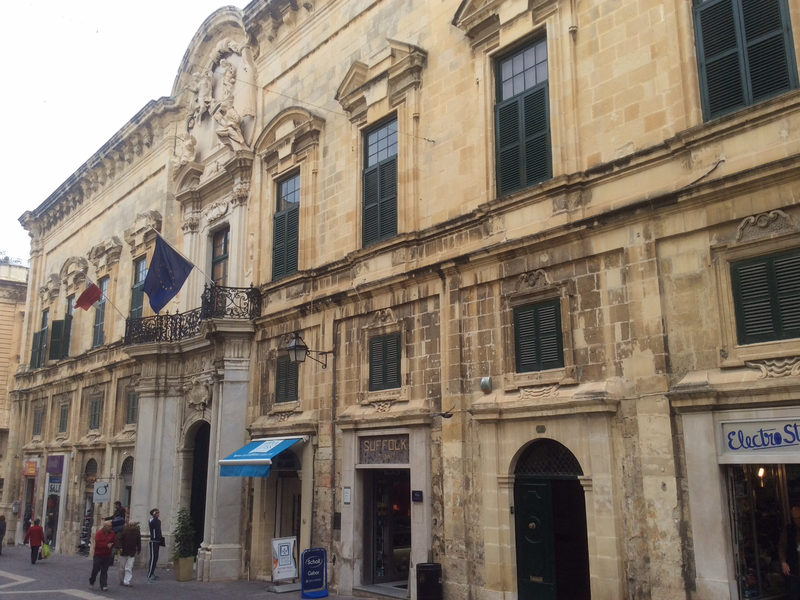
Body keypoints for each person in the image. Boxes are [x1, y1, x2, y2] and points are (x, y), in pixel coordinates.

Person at [89, 520, 117, 591]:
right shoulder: (99, 533)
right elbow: (98, 543)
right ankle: (92, 581)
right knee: (95, 570)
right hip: (98, 555)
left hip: (107, 555)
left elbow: (115, 541)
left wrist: (112, 544)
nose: (110, 528)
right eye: (109, 526)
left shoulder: (112, 533)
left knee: (104, 571)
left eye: (111, 526)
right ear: (105, 526)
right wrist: (106, 545)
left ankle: (104, 585)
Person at [117, 521, 141, 587]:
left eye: (134, 525)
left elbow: (138, 541)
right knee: (122, 567)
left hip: (132, 551)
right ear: (129, 526)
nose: (133, 527)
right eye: (131, 525)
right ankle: (121, 580)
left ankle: (127, 581)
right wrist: (120, 548)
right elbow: (120, 540)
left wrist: (139, 549)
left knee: (129, 567)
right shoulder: (125, 531)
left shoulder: (137, 532)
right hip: (124, 551)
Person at [148, 508, 164, 581]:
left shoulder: (158, 521)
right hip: (153, 541)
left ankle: (152, 573)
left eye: (158, 512)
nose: (158, 514)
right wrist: (154, 515)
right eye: (157, 513)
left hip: (157, 541)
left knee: (156, 558)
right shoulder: (151, 520)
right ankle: (149, 574)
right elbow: (153, 523)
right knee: (153, 558)